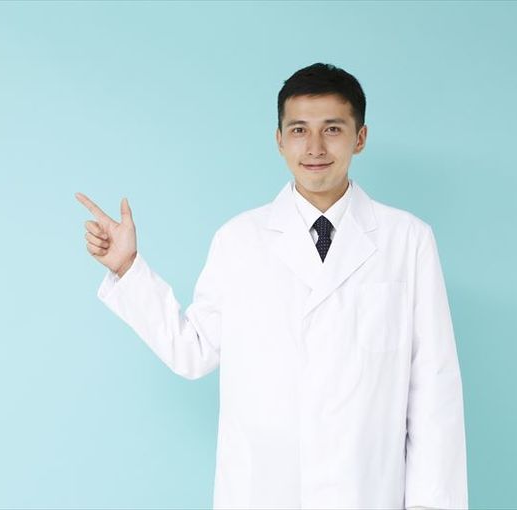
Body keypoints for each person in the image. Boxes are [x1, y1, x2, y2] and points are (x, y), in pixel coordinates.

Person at [75, 63, 468, 510]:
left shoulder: (408, 240)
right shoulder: (239, 239)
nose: (315, 147)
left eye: (332, 129)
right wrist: (128, 268)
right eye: (299, 130)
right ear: (279, 139)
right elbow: (193, 350)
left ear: (360, 137)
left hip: (365, 493)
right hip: (262, 490)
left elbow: (434, 390)